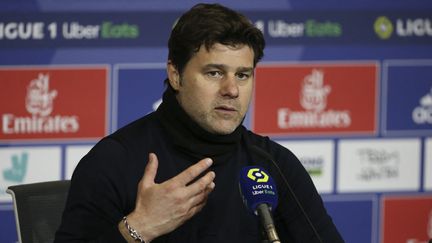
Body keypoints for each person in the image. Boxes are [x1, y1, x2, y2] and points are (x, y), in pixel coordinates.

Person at [55, 3, 344, 243]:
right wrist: (140, 227)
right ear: (176, 75)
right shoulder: (115, 159)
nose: (232, 89)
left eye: (243, 75)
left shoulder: (271, 164)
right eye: (215, 73)